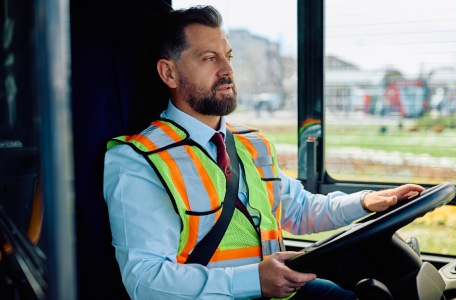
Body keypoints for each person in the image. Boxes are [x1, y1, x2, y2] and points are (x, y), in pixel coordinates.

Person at [103, 5, 425, 300]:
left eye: (228, 56)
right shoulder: (138, 161)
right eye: (208, 58)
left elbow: (298, 211)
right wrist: (253, 280)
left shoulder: (250, 144)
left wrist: (367, 202)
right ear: (169, 73)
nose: (227, 69)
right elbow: (146, 282)